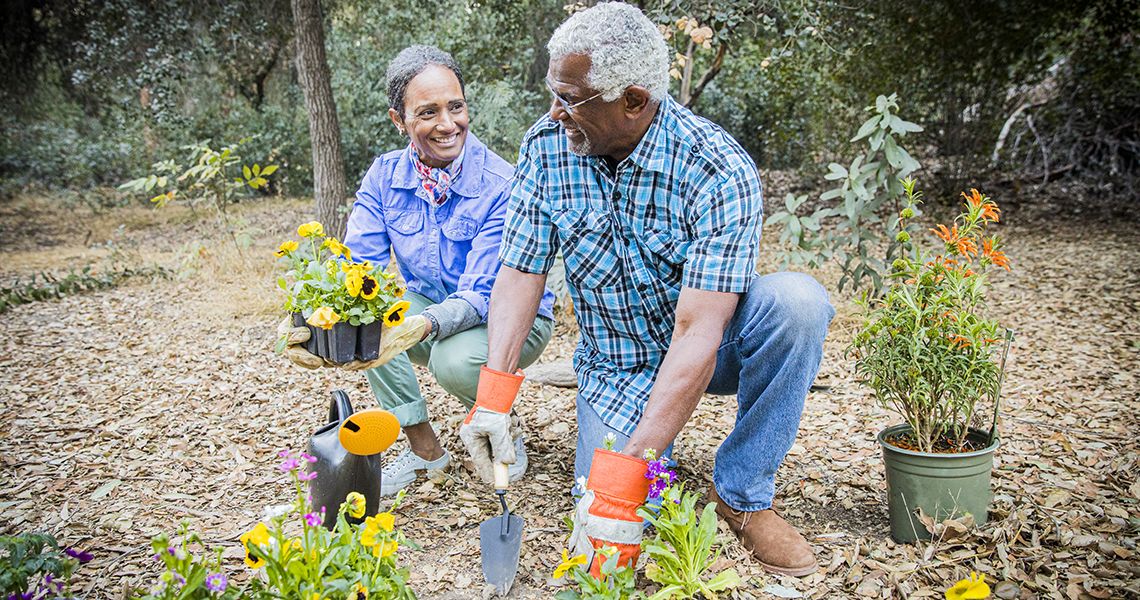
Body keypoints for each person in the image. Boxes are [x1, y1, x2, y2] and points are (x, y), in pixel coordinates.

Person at [457, 3, 833, 578]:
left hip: (710, 351)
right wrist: (493, 398)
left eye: (570, 99)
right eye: (552, 94)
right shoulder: (547, 147)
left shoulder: (717, 169)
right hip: (617, 364)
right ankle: (645, 472)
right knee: (615, 555)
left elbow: (698, 330)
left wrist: (629, 470)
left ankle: (743, 492)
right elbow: (519, 269)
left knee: (798, 304)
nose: (555, 113)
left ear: (633, 100)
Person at [281, 45, 555, 496]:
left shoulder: (502, 185)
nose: (448, 124)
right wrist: (315, 319)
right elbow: (355, 269)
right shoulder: (385, 177)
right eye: (428, 112)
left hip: (510, 317)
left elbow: (485, 293)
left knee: (452, 360)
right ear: (399, 120)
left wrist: (421, 324)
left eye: (456, 107)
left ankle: (497, 418)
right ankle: (426, 452)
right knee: (363, 321)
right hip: (434, 309)